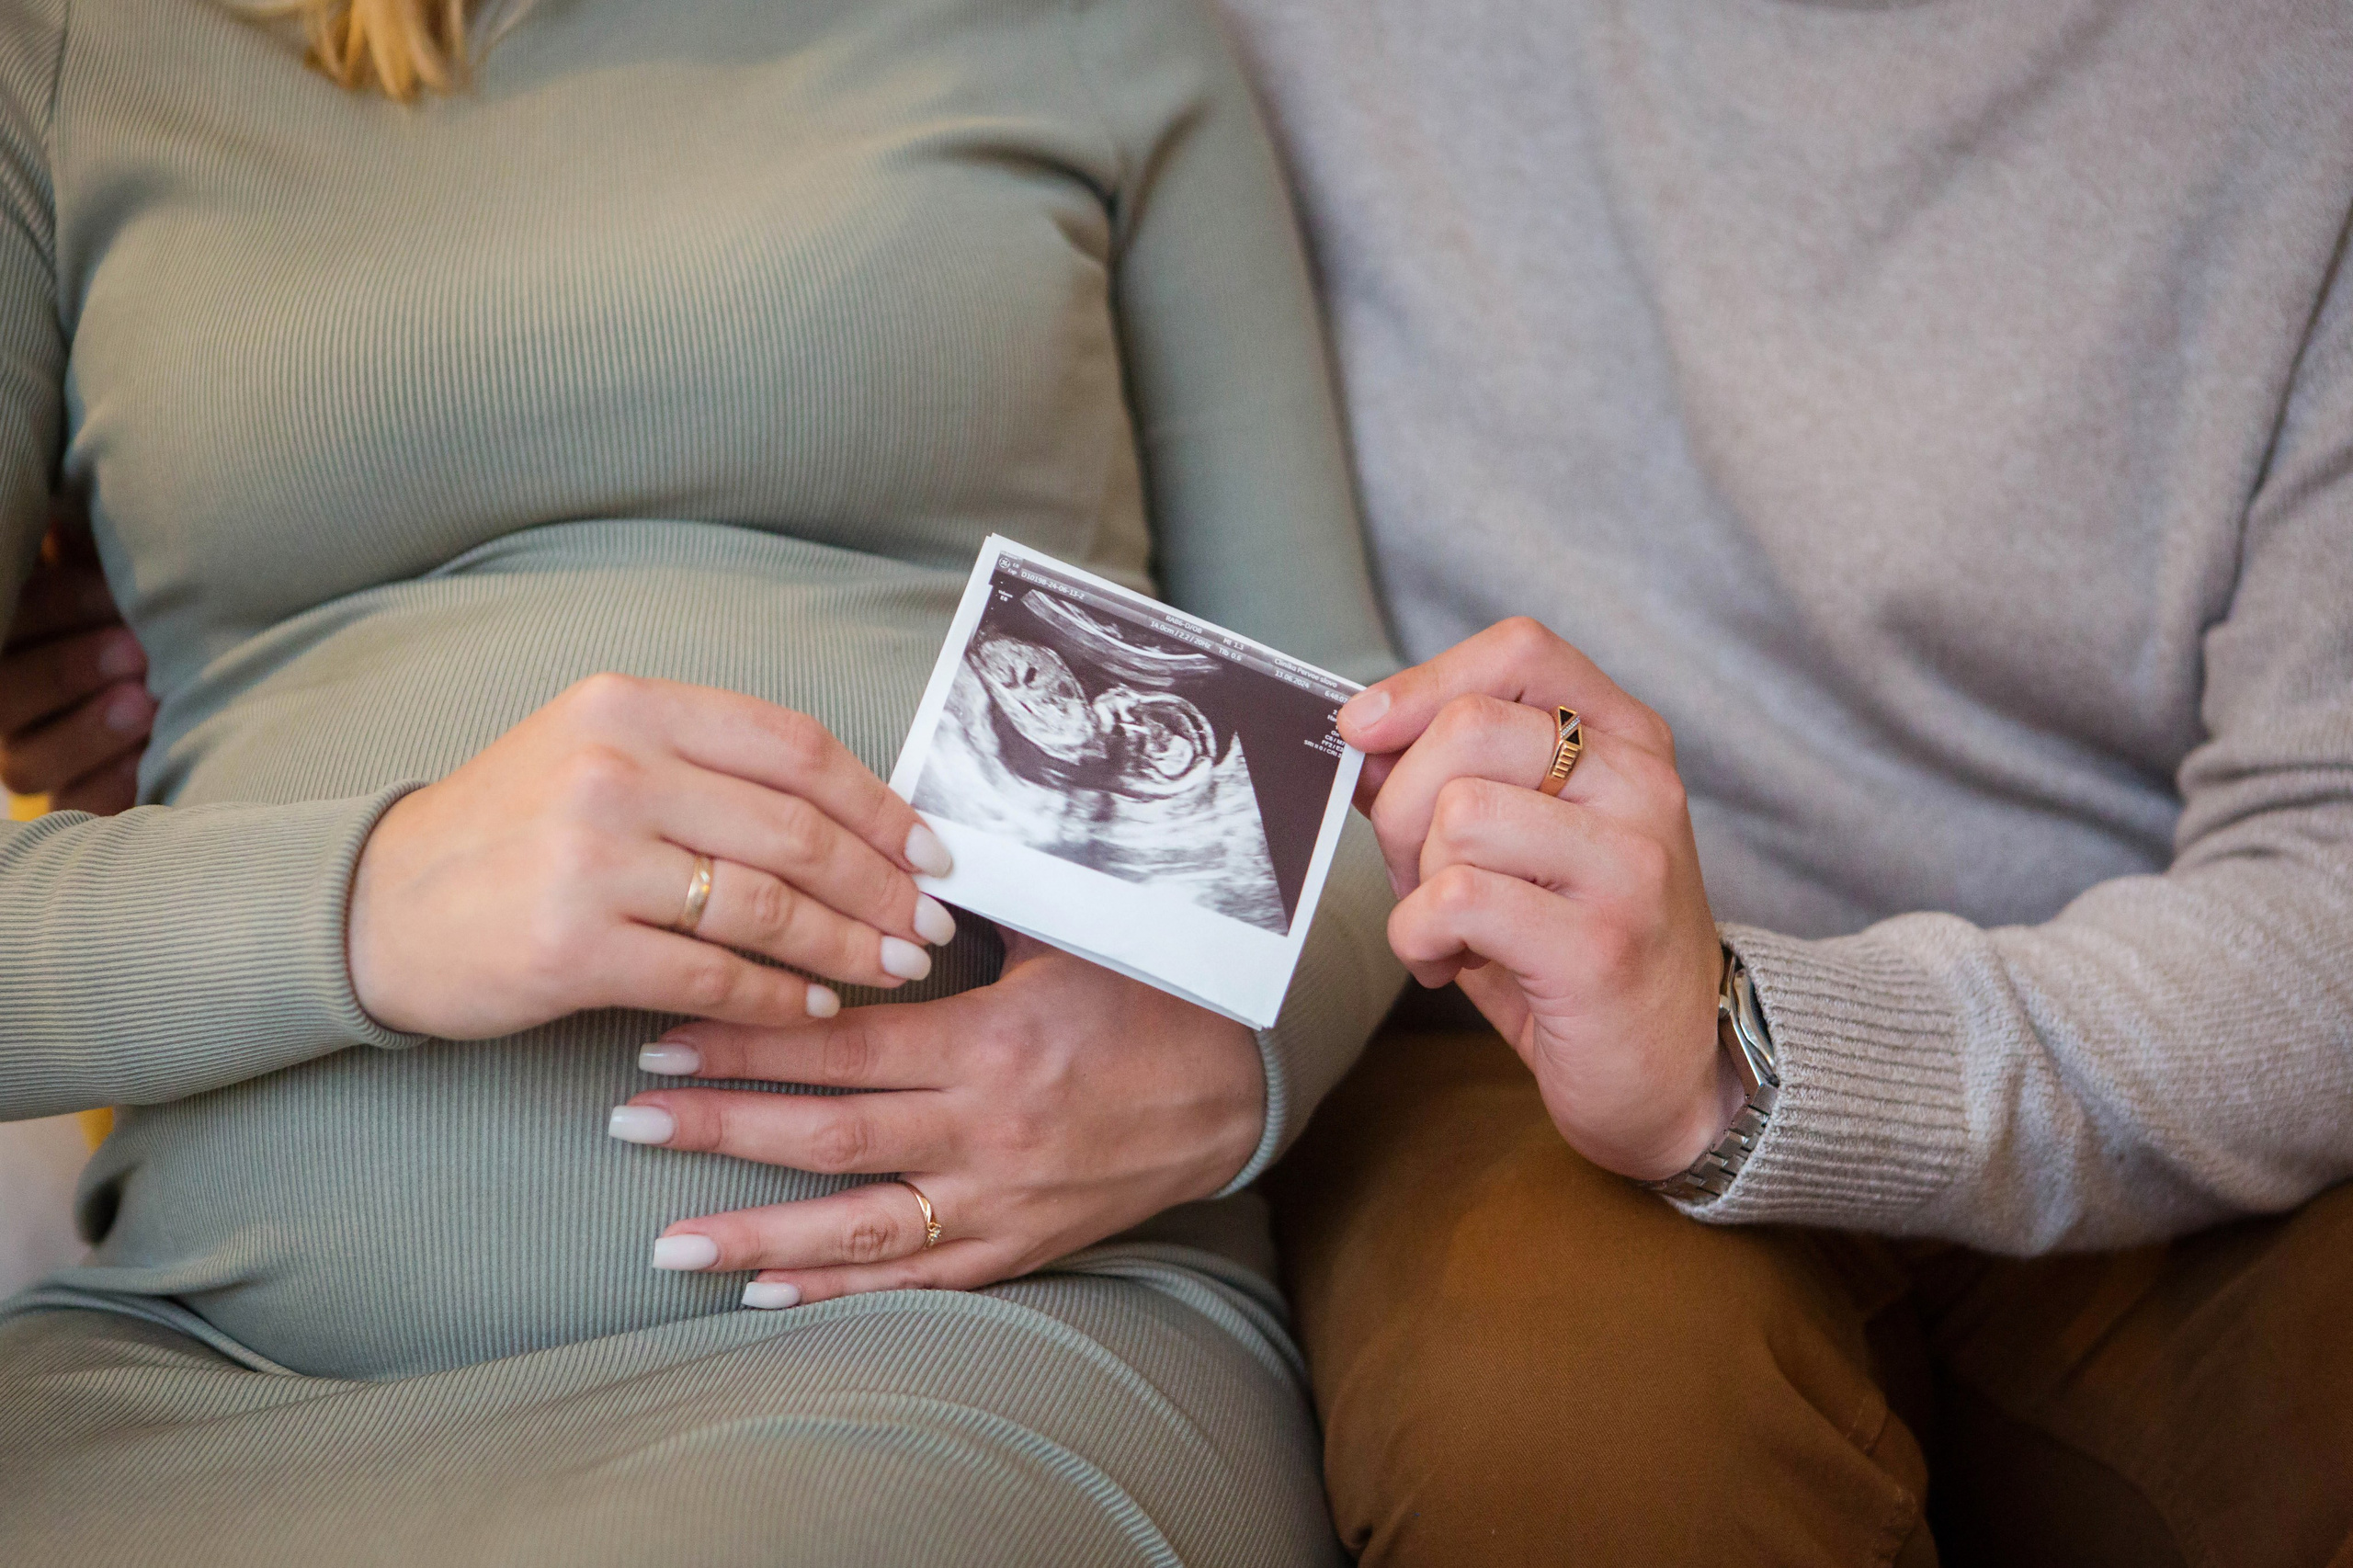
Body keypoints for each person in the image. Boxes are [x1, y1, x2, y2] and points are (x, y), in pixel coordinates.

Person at [0, 0, 1405, 1561]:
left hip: (969, 1343)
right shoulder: (73, 59)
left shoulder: (1080, 28)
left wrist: (1218, 1073)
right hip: (199, 1377)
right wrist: (370, 898)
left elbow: (1348, 747)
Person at [1201, 1, 2353, 1562]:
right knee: (1574, 1439)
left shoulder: (2299, 88)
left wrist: (1747, 1058)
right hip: (1487, 1033)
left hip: (2152, 1034)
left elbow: (2329, 876)